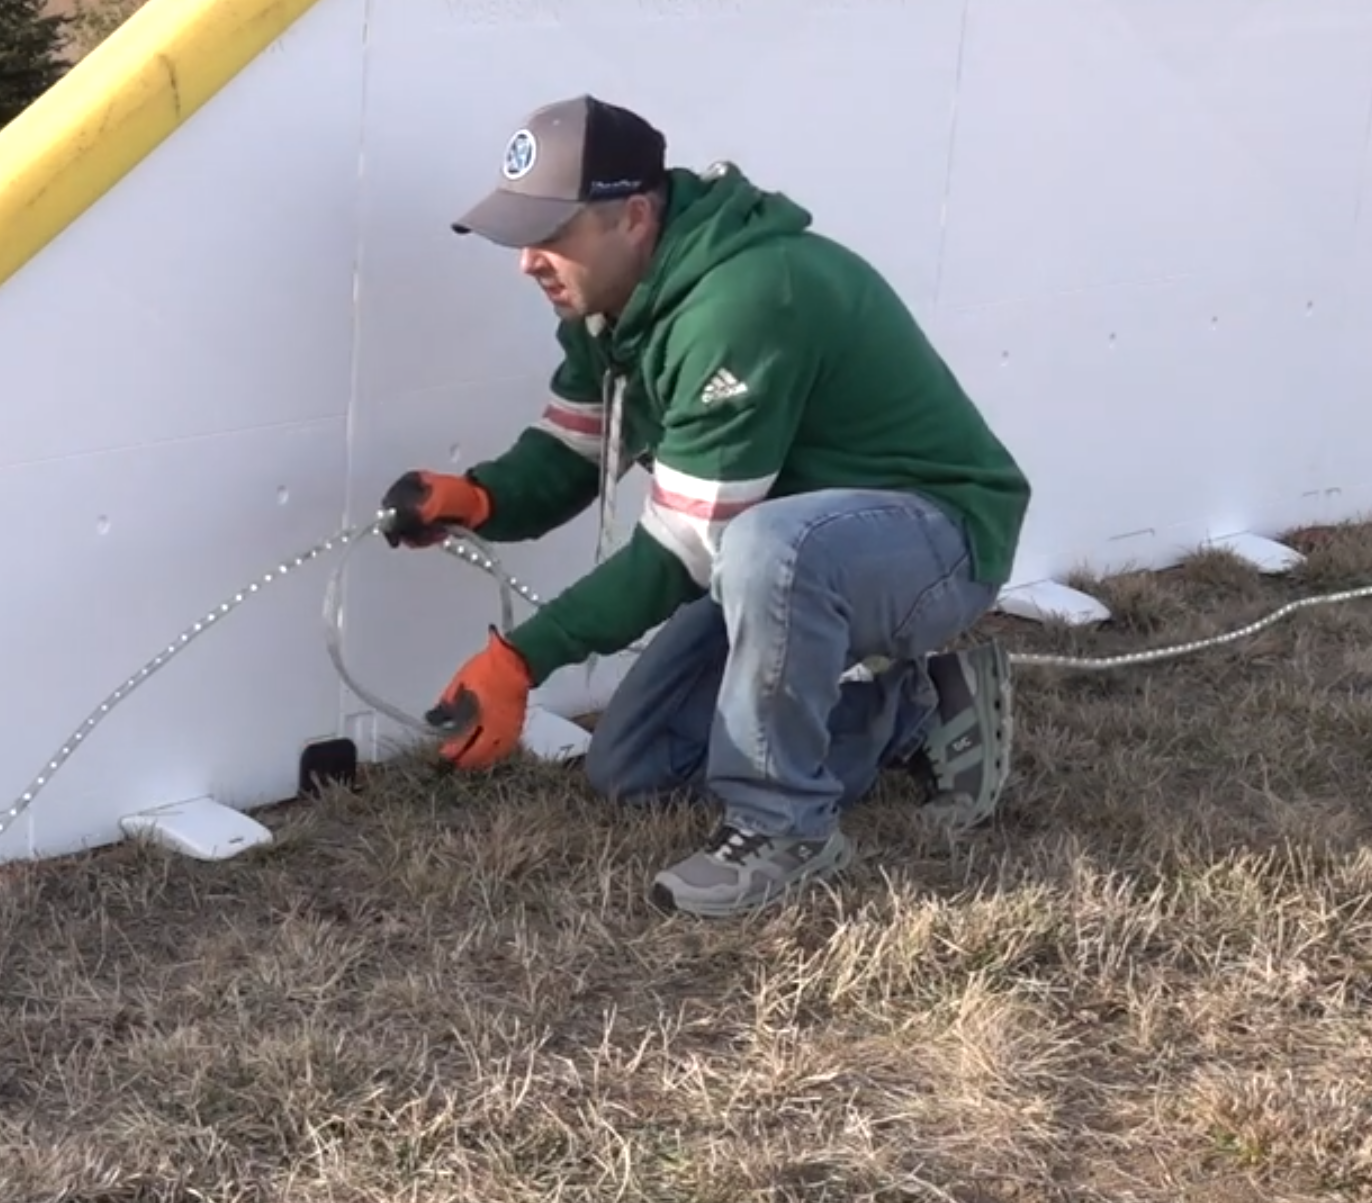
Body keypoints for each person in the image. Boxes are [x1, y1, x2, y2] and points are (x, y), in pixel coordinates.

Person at [378, 95, 1031, 918]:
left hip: (935, 539)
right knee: (636, 767)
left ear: (636, 217)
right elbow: (576, 449)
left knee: (764, 545)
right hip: (784, 552)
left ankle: (787, 828)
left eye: (550, 234)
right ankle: (920, 710)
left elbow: (688, 546)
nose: (527, 262)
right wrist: (477, 498)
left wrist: (521, 662)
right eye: (520, 237)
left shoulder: (746, 299)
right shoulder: (609, 307)